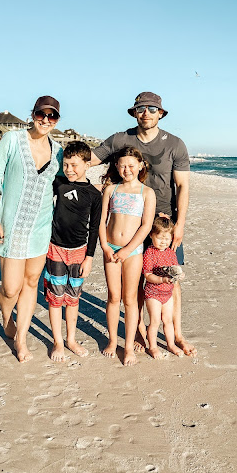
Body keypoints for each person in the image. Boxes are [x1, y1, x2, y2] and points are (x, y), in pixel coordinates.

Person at [91, 92, 196, 357]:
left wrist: (180, 224)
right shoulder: (120, 140)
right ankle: (137, 330)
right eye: (140, 109)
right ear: (134, 113)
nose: (146, 113)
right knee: (135, 281)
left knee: (171, 278)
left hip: (162, 224)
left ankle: (177, 334)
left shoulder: (175, 144)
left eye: (151, 108)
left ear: (160, 113)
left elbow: (182, 186)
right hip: (128, 223)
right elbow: (88, 159)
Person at [0, 95, 63, 363]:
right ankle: (7, 316)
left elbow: (69, 180)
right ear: (33, 114)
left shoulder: (58, 151)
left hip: (41, 227)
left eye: (52, 116)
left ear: (57, 120)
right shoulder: (12, 140)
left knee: (31, 283)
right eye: (41, 114)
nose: (46, 120)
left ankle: (21, 339)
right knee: (10, 288)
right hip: (12, 225)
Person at [43, 141, 102, 362]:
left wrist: (89, 258)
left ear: (87, 164)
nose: (69, 169)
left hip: (79, 252)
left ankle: (71, 339)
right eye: (66, 165)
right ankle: (58, 342)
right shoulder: (58, 184)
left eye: (74, 165)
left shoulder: (94, 195)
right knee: (55, 298)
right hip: (55, 249)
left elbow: (94, 228)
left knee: (73, 298)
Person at [98, 147, 156, 366]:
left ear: (140, 166)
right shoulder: (111, 190)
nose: (127, 169)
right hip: (110, 249)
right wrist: (105, 246)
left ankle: (129, 346)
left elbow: (146, 226)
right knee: (114, 297)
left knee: (130, 299)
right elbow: (102, 221)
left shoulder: (146, 192)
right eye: (122, 165)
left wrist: (127, 249)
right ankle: (113, 341)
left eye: (131, 165)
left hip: (133, 252)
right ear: (116, 166)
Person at [143, 217, 186, 359]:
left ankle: (171, 344)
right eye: (160, 238)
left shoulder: (170, 252)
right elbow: (148, 275)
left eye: (167, 238)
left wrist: (180, 274)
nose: (163, 242)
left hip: (167, 294)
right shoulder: (149, 253)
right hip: (153, 293)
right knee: (155, 321)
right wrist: (162, 279)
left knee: (168, 320)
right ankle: (153, 347)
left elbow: (175, 268)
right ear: (151, 235)